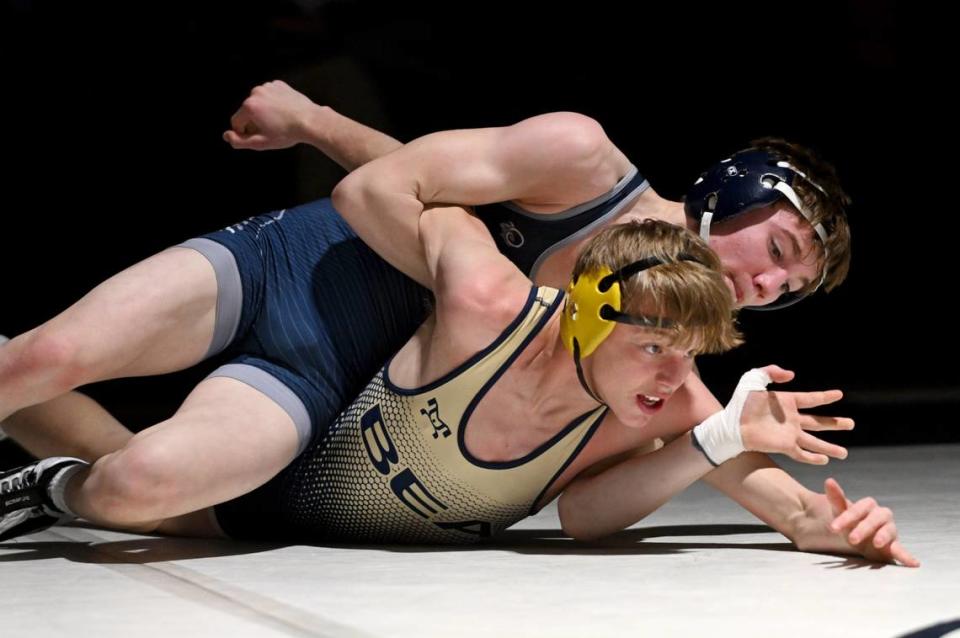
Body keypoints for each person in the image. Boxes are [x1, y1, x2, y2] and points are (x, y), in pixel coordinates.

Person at [0, 82, 916, 565]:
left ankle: (47, 476)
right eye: (782, 248)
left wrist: (817, 524)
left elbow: (722, 446)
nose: (770, 285)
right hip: (308, 274)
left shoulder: (653, 343)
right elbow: (379, 188)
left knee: (143, 488)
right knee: (46, 355)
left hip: (342, 385)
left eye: (791, 287)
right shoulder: (578, 161)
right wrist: (315, 120)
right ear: (735, 192)